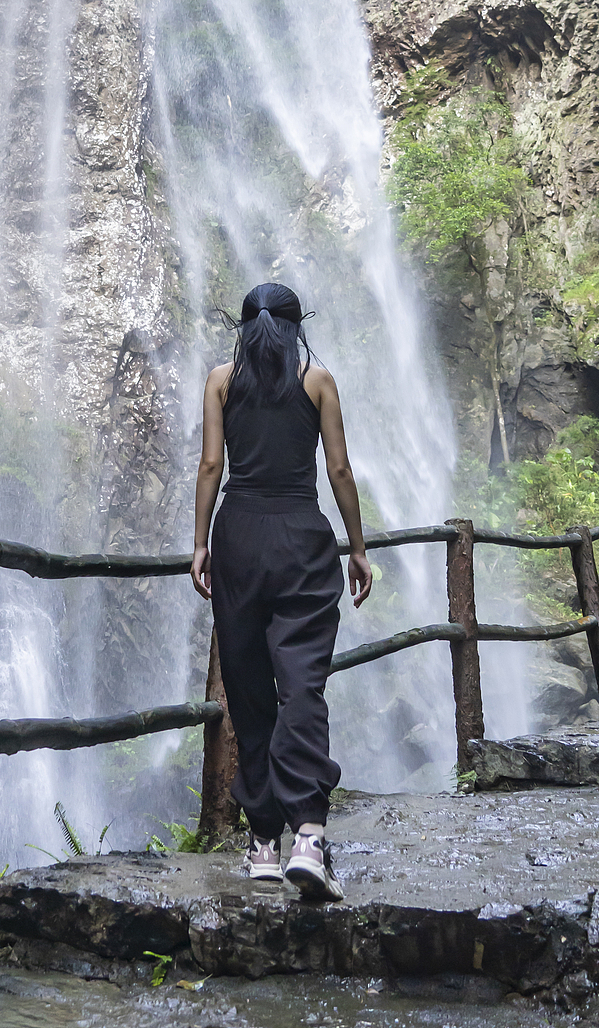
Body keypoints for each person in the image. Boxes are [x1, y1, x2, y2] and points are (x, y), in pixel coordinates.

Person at [191, 281, 372, 899]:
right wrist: (357, 545)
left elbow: (211, 466)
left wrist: (200, 544)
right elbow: (339, 469)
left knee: (247, 691)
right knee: (301, 684)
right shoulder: (317, 379)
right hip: (301, 539)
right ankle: (310, 838)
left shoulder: (220, 380)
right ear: (298, 326)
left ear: (243, 328)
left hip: (237, 538)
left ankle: (263, 844)